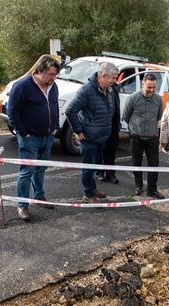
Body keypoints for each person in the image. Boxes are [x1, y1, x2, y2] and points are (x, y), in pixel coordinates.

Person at [8, 55, 60, 221]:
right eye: (51, 74)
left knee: (41, 168)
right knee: (26, 172)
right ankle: (22, 204)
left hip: (48, 136)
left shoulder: (53, 86)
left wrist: (55, 128)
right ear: (39, 71)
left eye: (55, 75)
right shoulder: (22, 86)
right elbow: (13, 113)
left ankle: (39, 196)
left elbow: (55, 107)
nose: (53, 78)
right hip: (30, 138)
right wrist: (24, 133)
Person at [66, 62, 121, 204]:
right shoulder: (87, 90)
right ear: (103, 76)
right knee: (88, 167)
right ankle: (88, 194)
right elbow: (70, 110)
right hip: (89, 138)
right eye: (113, 78)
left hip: (102, 137)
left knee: (94, 166)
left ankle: (92, 187)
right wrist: (78, 131)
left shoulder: (109, 89)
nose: (115, 81)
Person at [122, 73, 164, 199]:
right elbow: (125, 115)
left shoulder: (158, 99)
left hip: (151, 137)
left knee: (154, 163)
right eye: (149, 87)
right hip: (137, 137)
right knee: (137, 162)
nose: (151, 90)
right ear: (143, 84)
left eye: (154, 87)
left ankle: (152, 189)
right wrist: (135, 127)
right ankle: (138, 186)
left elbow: (159, 116)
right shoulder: (133, 98)